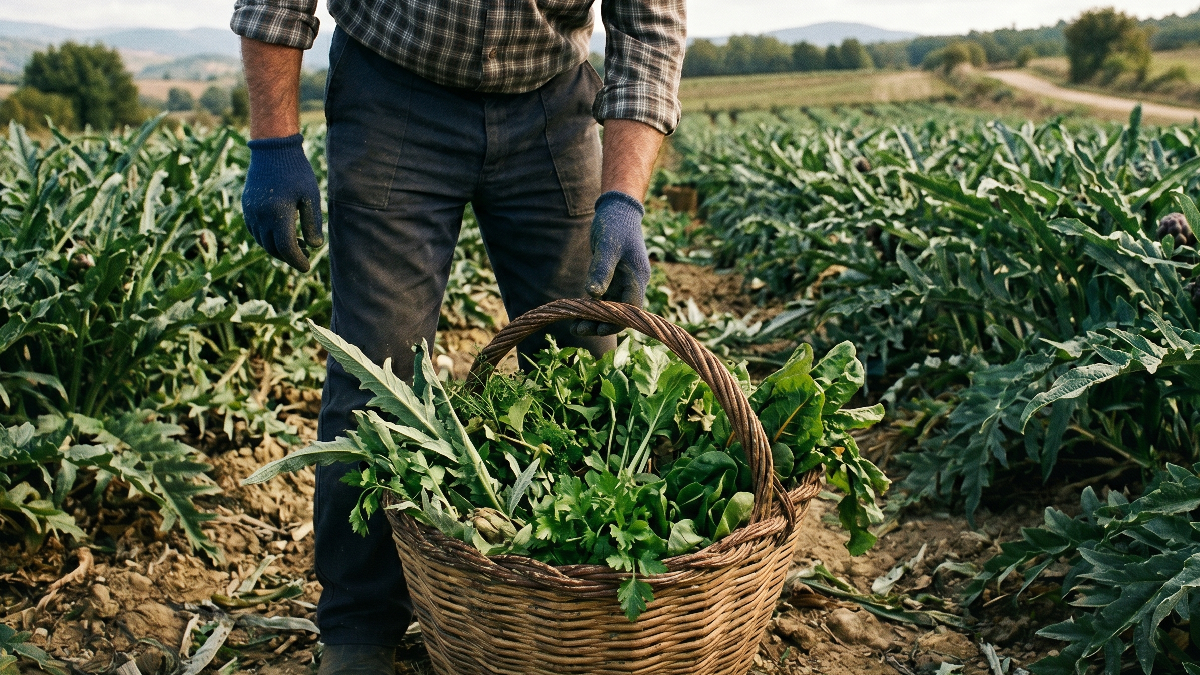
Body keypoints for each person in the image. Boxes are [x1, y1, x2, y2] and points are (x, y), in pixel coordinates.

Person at [229, 0, 685, 672]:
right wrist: (274, 142)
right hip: (393, 96)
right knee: (376, 377)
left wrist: (622, 197)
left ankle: (576, 604)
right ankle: (360, 623)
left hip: (550, 106)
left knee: (581, 368)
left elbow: (650, 23)